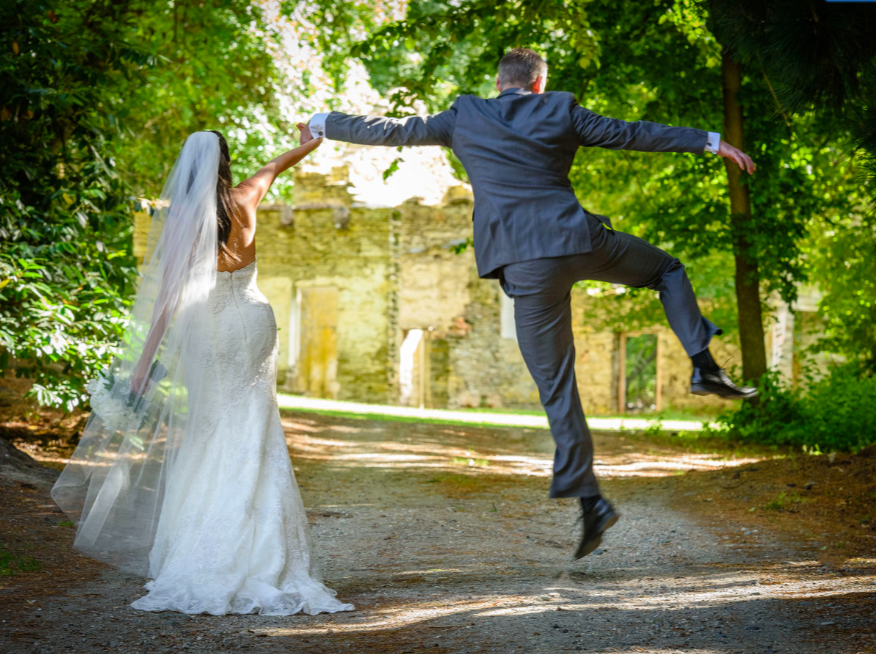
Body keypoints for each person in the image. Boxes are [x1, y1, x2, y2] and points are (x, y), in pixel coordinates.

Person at [298, 48, 758, 560]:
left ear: (499, 83)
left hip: (523, 264)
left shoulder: (464, 116)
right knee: (667, 270)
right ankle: (703, 366)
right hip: (580, 242)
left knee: (557, 388)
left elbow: (392, 131)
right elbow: (631, 133)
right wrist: (709, 141)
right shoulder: (560, 109)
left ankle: (592, 503)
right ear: (539, 84)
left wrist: (321, 122)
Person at [52, 130, 354, 616]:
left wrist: (142, 364)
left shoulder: (184, 219)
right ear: (226, 161)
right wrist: (308, 143)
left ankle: (213, 548)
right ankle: (270, 554)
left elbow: (167, 298)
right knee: (256, 426)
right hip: (255, 319)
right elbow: (277, 165)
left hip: (212, 327)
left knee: (211, 428)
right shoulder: (247, 196)